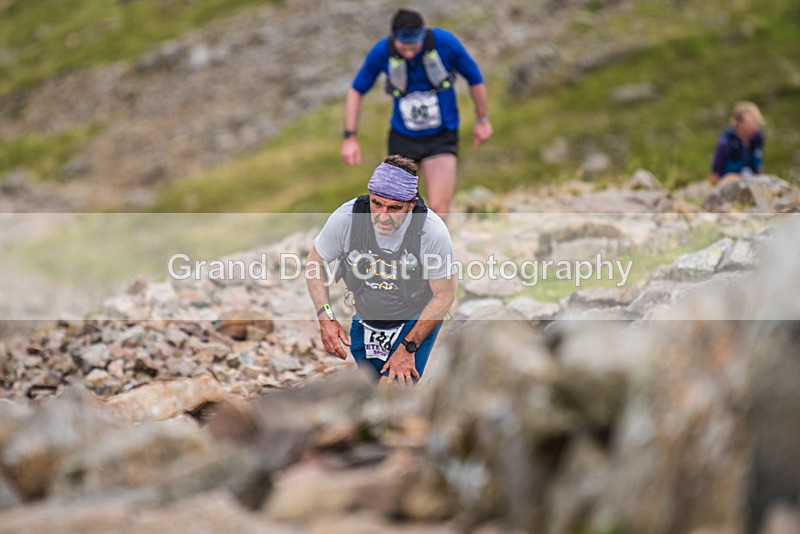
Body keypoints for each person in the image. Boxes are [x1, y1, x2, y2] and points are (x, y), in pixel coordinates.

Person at [305, 155, 456, 385]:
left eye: (394, 208)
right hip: (367, 319)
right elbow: (314, 262)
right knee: (373, 391)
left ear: (411, 203)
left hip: (414, 321)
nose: (383, 216)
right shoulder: (349, 217)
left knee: (394, 391)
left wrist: (408, 348)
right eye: (376, 203)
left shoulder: (432, 231)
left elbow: (445, 294)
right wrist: (326, 318)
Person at [340, 8, 492, 217]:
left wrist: (482, 119)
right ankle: (395, 249)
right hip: (403, 139)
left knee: (439, 211)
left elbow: (475, 78)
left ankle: (434, 250)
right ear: (395, 39)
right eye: (404, 48)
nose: (410, 53)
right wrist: (350, 136)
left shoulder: (445, 43)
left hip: (441, 137)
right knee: (394, 209)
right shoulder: (382, 51)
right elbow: (357, 90)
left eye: (414, 47)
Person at [710, 101, 765, 183]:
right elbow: (715, 174)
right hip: (730, 181)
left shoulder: (758, 138)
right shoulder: (726, 142)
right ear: (739, 124)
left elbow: (758, 164)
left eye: (755, 122)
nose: (753, 126)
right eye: (749, 123)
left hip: (752, 178)